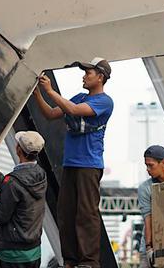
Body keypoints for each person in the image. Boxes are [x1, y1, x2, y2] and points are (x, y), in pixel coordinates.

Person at [33, 57, 114, 268]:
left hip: (89, 165)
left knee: (86, 213)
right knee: (66, 213)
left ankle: (89, 261)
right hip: (70, 163)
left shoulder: (105, 102)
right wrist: (38, 94)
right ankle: (70, 260)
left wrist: (50, 91)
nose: (84, 76)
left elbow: (74, 111)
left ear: (100, 77)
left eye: (88, 73)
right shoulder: (79, 97)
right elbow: (51, 114)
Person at [0, 131, 47, 268]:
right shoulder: (41, 175)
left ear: (18, 149)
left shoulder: (13, 182)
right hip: (34, 251)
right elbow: (14, 188)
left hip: (14, 255)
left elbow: (0, 216)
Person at [137, 145, 164, 268]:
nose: (148, 169)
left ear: (163, 163)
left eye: (151, 165)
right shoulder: (145, 188)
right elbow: (147, 217)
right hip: (152, 248)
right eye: (146, 165)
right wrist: (149, 247)